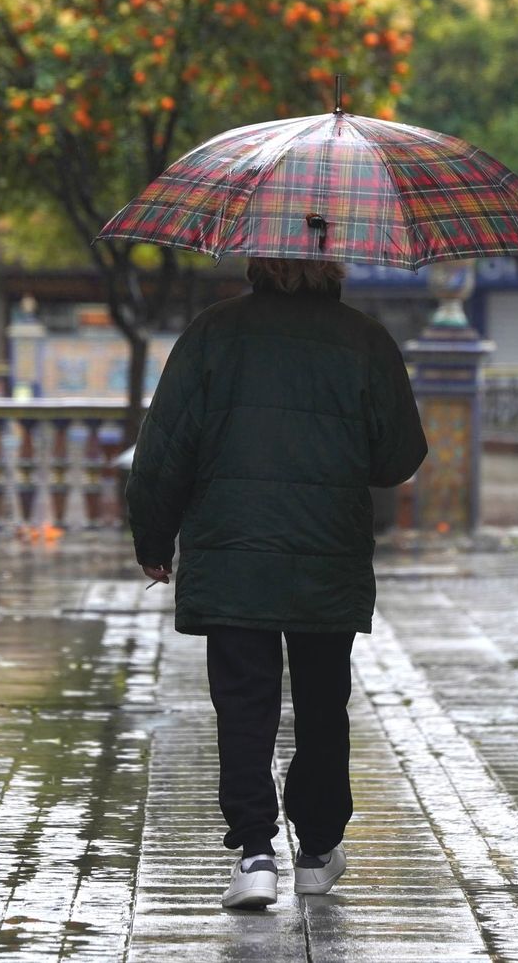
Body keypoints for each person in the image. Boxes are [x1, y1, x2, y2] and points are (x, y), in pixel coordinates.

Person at [126, 256, 428, 910]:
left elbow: (164, 448)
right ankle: (318, 849)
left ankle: (256, 852)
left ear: (257, 258)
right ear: (333, 262)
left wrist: (153, 539)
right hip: (327, 551)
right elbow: (399, 455)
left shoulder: (213, 333)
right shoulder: (365, 339)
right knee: (323, 704)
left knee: (244, 704)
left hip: (234, 552)